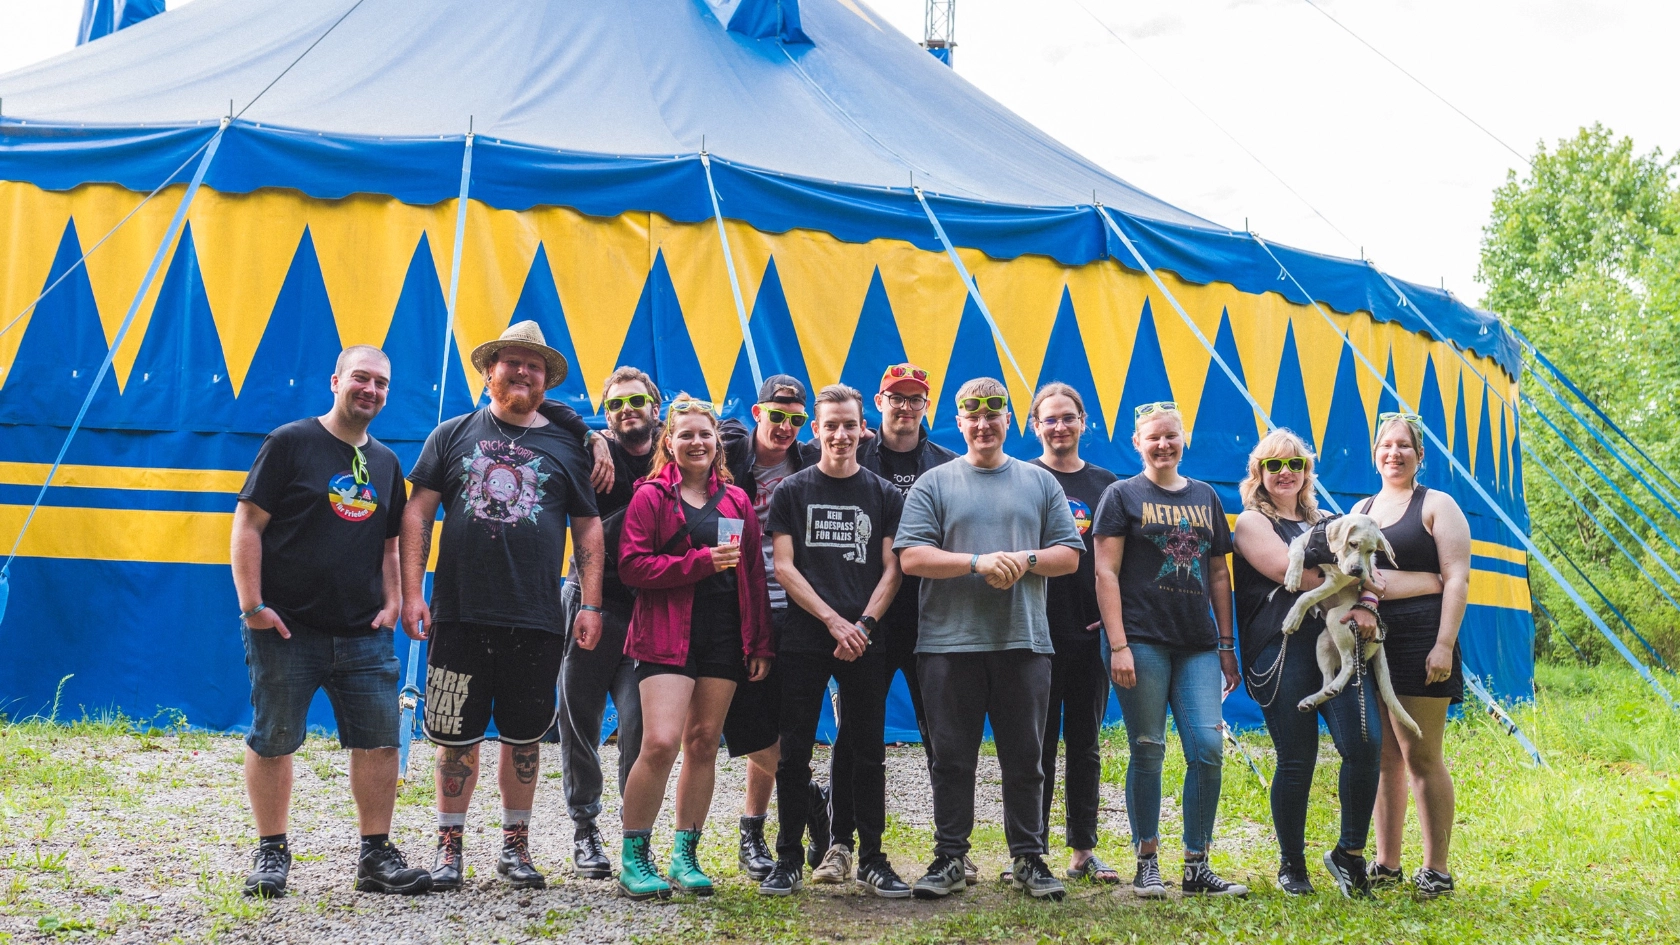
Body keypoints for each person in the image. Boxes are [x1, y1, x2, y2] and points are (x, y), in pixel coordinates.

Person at [400, 321, 606, 893]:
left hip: (537, 617)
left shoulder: (568, 444)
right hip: (459, 612)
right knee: (452, 736)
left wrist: (591, 604)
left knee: (525, 737)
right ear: (488, 371)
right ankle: (449, 848)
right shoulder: (452, 433)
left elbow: (588, 531)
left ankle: (515, 848)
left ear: (547, 381)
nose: (522, 373)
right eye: (511, 363)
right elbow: (417, 515)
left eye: (534, 366)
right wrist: (413, 592)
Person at [231, 345, 432, 898]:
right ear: (335, 380)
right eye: (361, 379)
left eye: (382, 384)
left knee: (380, 742)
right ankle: (271, 852)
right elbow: (247, 525)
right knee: (274, 739)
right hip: (288, 629)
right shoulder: (290, 443)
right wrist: (253, 606)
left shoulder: (388, 463)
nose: (371, 390)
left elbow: (390, 543)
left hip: (364, 632)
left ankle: (375, 857)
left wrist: (392, 602)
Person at [895, 378, 1084, 902]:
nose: (983, 423)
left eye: (993, 412)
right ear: (958, 422)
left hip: (1023, 642)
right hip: (947, 644)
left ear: (1009, 420)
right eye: (971, 414)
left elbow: (1069, 554)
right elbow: (911, 556)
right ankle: (951, 857)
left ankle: (1028, 858)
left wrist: (1022, 561)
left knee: (1026, 758)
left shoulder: (1039, 483)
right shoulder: (934, 483)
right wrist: (977, 563)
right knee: (951, 758)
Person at [615, 396, 775, 900]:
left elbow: (752, 573)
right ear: (670, 441)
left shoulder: (736, 501)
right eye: (685, 434)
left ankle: (686, 854)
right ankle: (634, 856)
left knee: (704, 744)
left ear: (717, 441)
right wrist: (700, 562)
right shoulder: (650, 497)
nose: (697, 442)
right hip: (665, 633)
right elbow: (632, 567)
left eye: (704, 434)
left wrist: (758, 641)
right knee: (660, 742)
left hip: (724, 635)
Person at [759, 385, 910, 897]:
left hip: (866, 639)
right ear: (816, 430)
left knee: (868, 749)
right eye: (831, 425)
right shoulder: (792, 491)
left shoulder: (885, 495)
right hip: (807, 636)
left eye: (850, 425)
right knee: (794, 752)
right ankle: (788, 858)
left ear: (862, 428)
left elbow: (893, 569)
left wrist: (863, 625)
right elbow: (784, 567)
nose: (841, 434)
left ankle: (872, 857)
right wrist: (831, 621)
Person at [1092, 401, 1247, 897]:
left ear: (1185, 440)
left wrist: (1226, 645)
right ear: (1136, 443)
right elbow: (1105, 572)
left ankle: (1197, 864)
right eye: (1152, 437)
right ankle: (1147, 861)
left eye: (1171, 436)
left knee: (1207, 746)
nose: (1163, 444)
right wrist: (1117, 645)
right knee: (1148, 748)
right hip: (1140, 639)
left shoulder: (1205, 496)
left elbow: (1220, 573)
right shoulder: (1121, 495)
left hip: (1197, 642)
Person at [815, 362, 961, 885]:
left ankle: (952, 850)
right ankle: (839, 844)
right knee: (855, 734)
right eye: (895, 397)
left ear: (927, 405)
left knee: (942, 736)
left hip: (932, 622)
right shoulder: (851, 452)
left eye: (915, 398)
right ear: (879, 401)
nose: (905, 406)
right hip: (866, 620)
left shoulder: (948, 465)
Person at [1232, 430, 1383, 897]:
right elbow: (1285, 572)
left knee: (1365, 743)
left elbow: (1372, 571)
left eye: (1294, 465)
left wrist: (1370, 597)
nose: (1285, 473)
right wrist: (1354, 574)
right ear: (1258, 472)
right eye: (1274, 465)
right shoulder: (1251, 523)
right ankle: (1291, 865)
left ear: (1306, 472)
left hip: (1340, 642)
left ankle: (1349, 854)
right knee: (1297, 759)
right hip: (1283, 647)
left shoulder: (1327, 519)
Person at [550, 367, 660, 880]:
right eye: (614, 406)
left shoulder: (676, 448)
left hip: (651, 609)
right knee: (580, 720)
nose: (626, 410)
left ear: (655, 407)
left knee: (641, 727)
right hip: (592, 603)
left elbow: (735, 441)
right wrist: (588, 432)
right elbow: (539, 405)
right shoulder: (591, 451)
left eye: (636, 401)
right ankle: (585, 827)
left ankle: (635, 834)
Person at [1358, 413, 1469, 900]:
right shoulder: (1363, 507)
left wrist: (1444, 643)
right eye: (1386, 445)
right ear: (1375, 453)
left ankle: (1437, 869)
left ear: (1419, 456)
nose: (1394, 453)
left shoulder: (1437, 505)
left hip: (1423, 640)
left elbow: (1457, 577)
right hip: (1372, 645)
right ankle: (1386, 863)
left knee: (1421, 755)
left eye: (1404, 446)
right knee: (1384, 759)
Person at [718, 374, 821, 879]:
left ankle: (753, 830)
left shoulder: (811, 461)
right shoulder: (727, 453)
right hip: (731, 605)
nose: (785, 427)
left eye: (796, 419)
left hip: (791, 609)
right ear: (758, 414)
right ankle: (805, 789)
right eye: (776, 415)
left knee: (772, 722)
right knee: (728, 722)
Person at [1026, 383, 1119, 884]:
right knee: (1035, 745)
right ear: (1035, 426)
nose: (1059, 427)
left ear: (1084, 421)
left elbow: (1121, 560)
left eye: (1068, 417)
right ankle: (1032, 850)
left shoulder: (1107, 484)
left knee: (1084, 745)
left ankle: (1083, 850)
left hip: (1087, 633)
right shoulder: (1021, 477)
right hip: (1034, 634)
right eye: (1049, 419)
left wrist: (1114, 614)